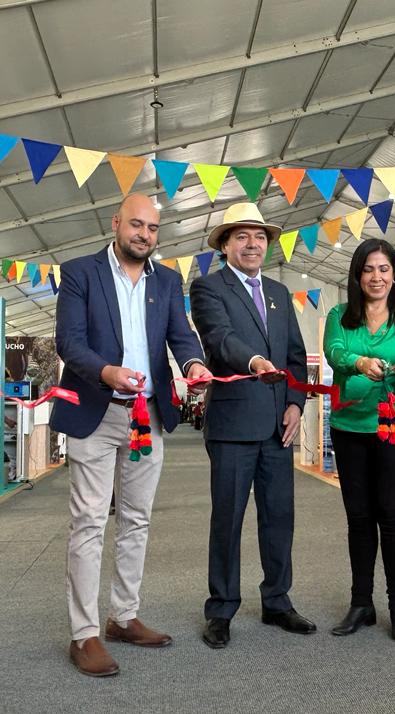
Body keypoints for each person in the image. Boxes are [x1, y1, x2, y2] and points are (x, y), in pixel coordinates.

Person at [51, 193, 208, 677]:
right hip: (95, 412)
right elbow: (69, 341)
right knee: (89, 522)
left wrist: (193, 364)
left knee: (137, 519)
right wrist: (107, 372)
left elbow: (181, 335)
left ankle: (123, 616)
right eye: (137, 224)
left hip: (148, 416)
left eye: (153, 228)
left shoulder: (168, 280)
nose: (144, 234)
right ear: (116, 222)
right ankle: (84, 634)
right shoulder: (80, 272)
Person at [189, 202, 312, 649]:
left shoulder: (279, 292)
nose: (252, 244)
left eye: (259, 237)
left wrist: (296, 404)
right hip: (232, 426)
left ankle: (277, 601)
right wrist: (255, 360)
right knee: (228, 519)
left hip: (278, 427)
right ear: (224, 245)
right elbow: (219, 338)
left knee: (279, 518)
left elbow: (295, 355)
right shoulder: (207, 288)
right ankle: (221, 608)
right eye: (241, 236)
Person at [322, 239, 395, 642]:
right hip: (349, 428)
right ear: (357, 275)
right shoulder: (339, 316)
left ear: (394, 275)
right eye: (368, 269)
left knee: (394, 516)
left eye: (384, 269)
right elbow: (334, 352)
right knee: (359, 518)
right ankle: (361, 603)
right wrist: (359, 362)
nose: (376, 277)